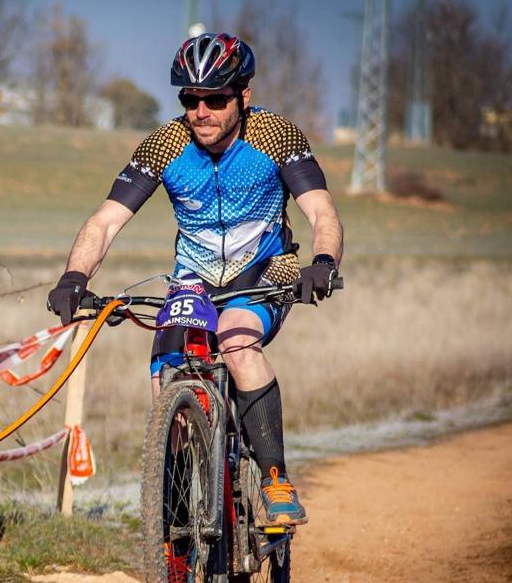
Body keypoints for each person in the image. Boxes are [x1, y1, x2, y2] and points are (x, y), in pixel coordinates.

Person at [46, 32, 343, 526]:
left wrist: (324, 261)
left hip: (266, 270)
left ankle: (274, 479)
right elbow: (104, 221)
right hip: (194, 279)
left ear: (243, 96)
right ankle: (181, 519)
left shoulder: (275, 136)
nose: (201, 110)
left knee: (236, 340)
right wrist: (73, 276)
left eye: (215, 98)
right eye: (190, 98)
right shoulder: (166, 144)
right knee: (167, 381)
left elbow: (322, 211)